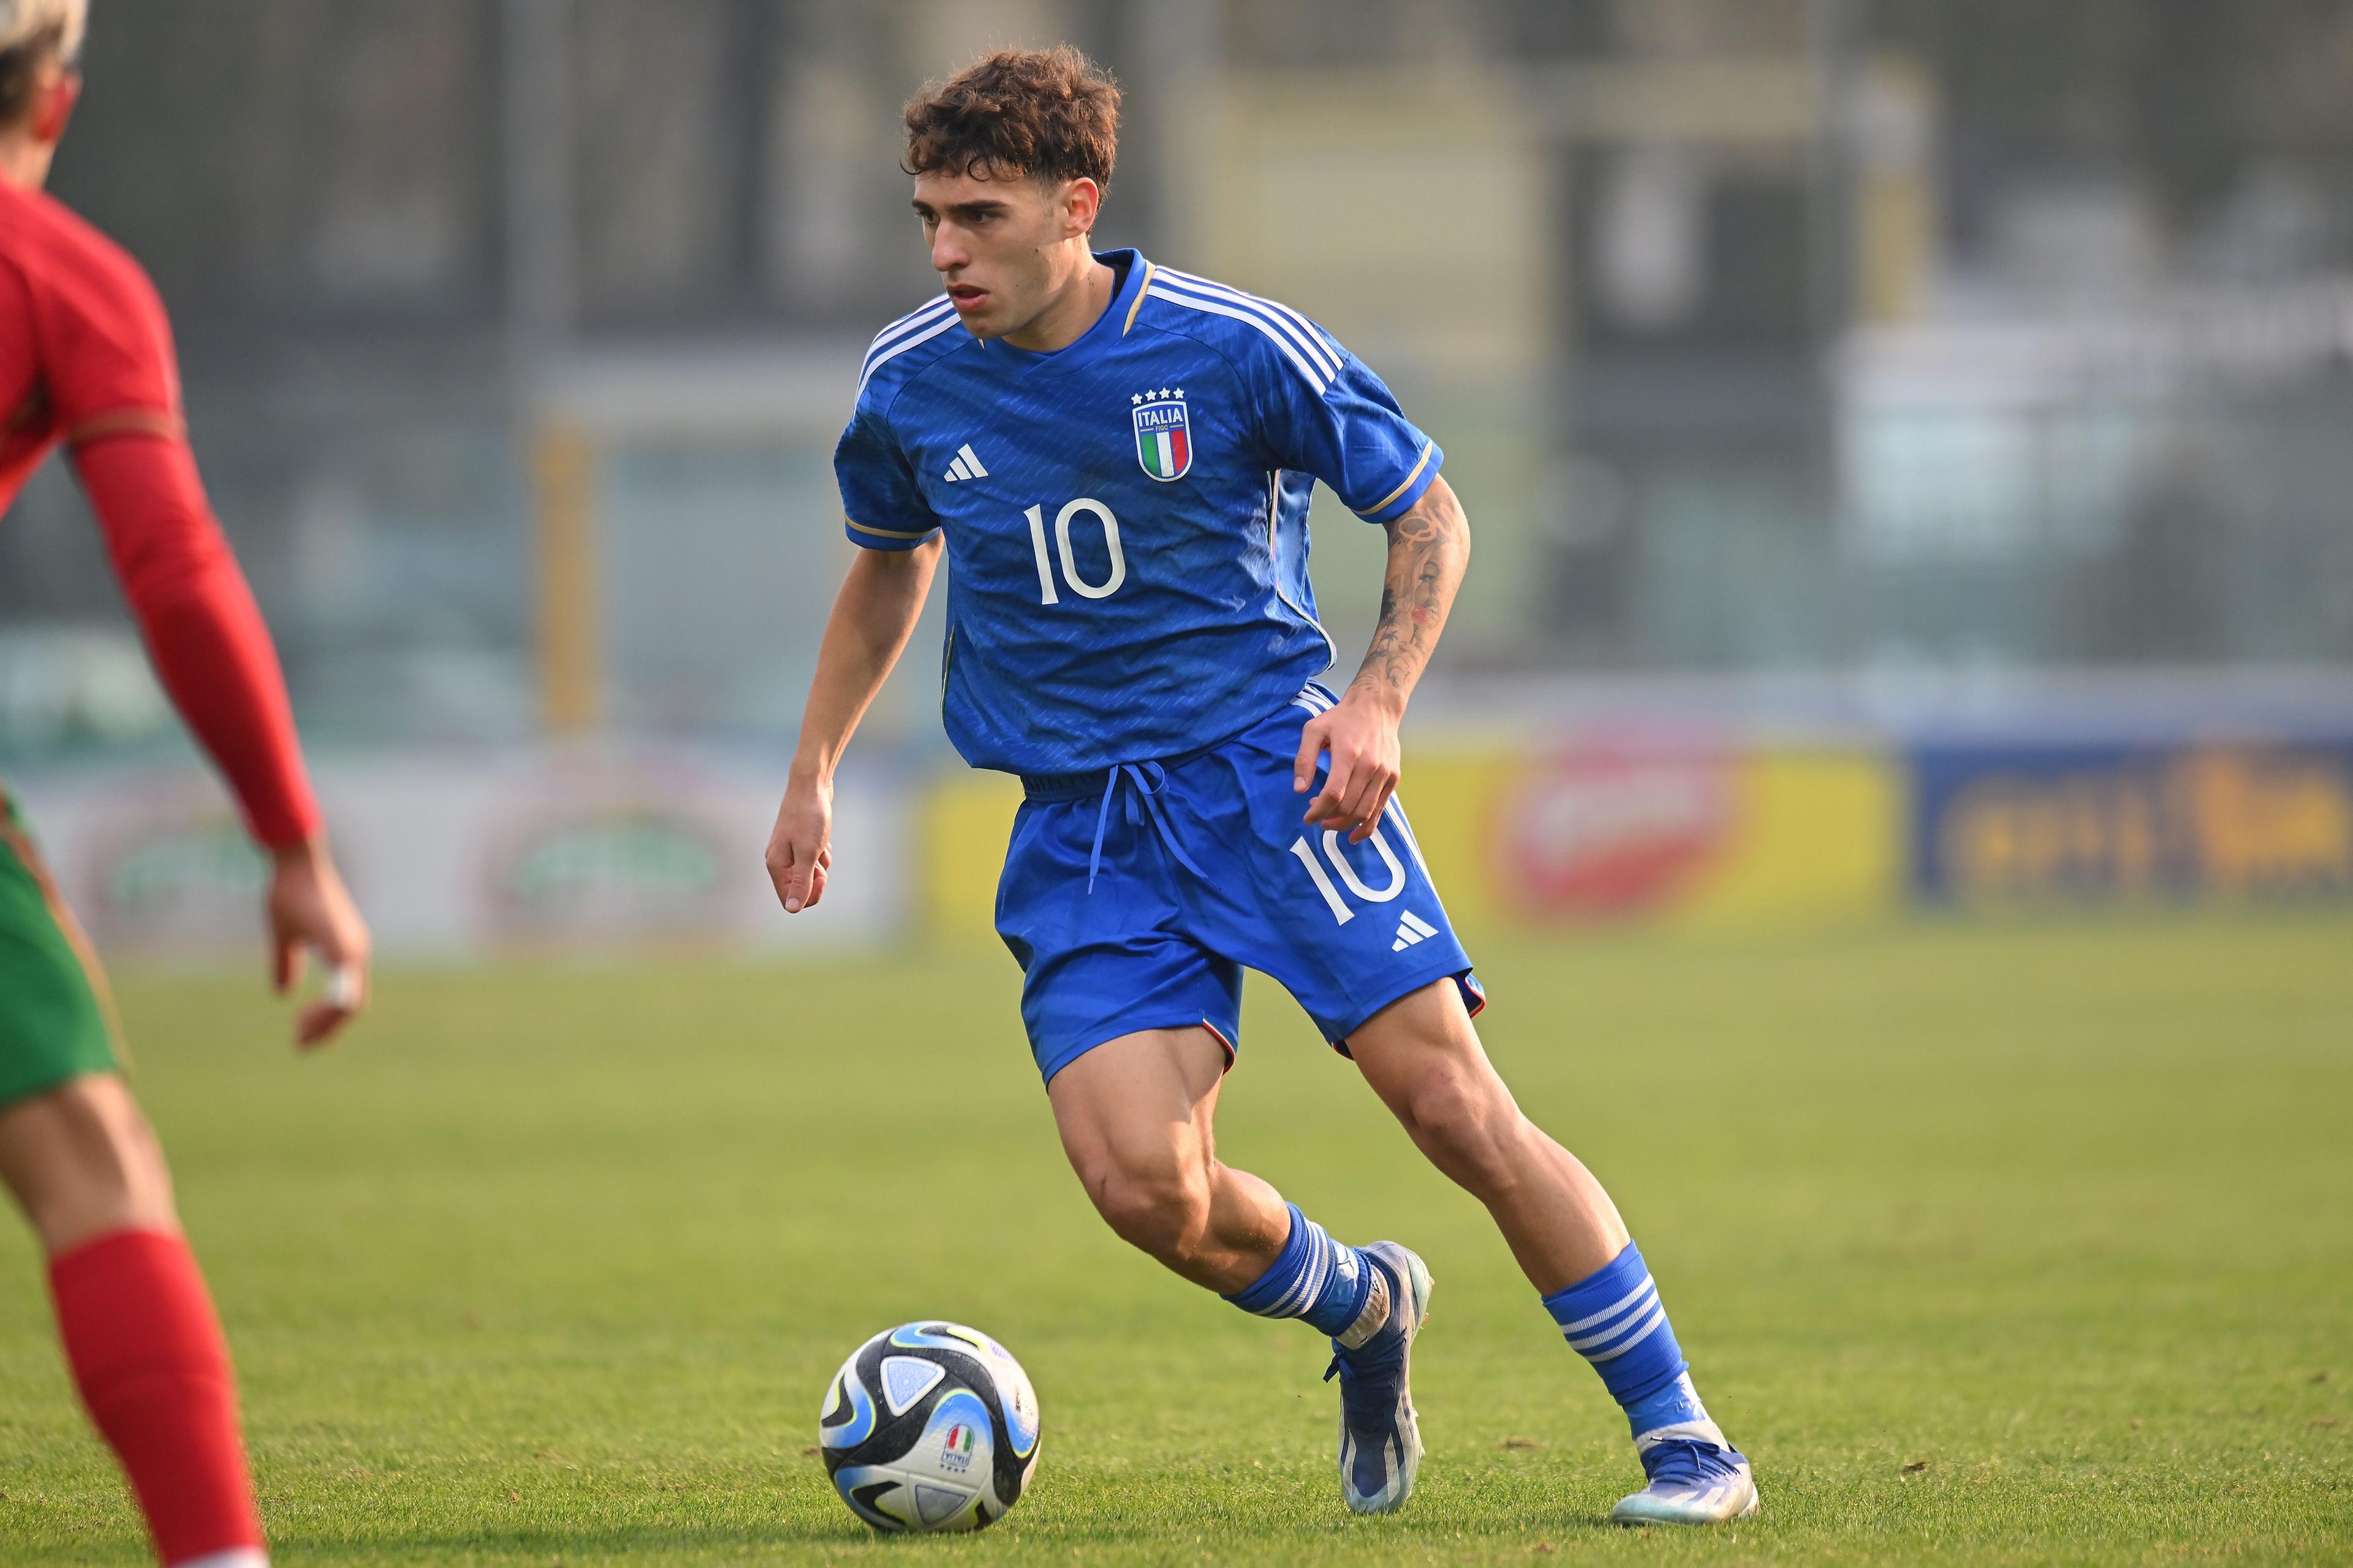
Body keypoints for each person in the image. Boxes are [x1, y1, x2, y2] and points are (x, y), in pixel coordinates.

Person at [765, 45, 1754, 1526]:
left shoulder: (1233, 348)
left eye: (978, 216)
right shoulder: (909, 381)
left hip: (1270, 777)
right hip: (1082, 821)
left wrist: (1377, 700)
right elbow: (890, 563)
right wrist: (814, 770)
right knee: (1143, 1187)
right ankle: (1362, 1303)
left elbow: (1428, 512)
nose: (946, 250)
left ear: (1075, 205)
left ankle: (1689, 1440)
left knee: (1454, 1107)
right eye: (929, 218)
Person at [0, 4, 370, 1564]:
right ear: (56, 101)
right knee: (92, 1161)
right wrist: (291, 839)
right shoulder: (57, 274)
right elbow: (172, 567)